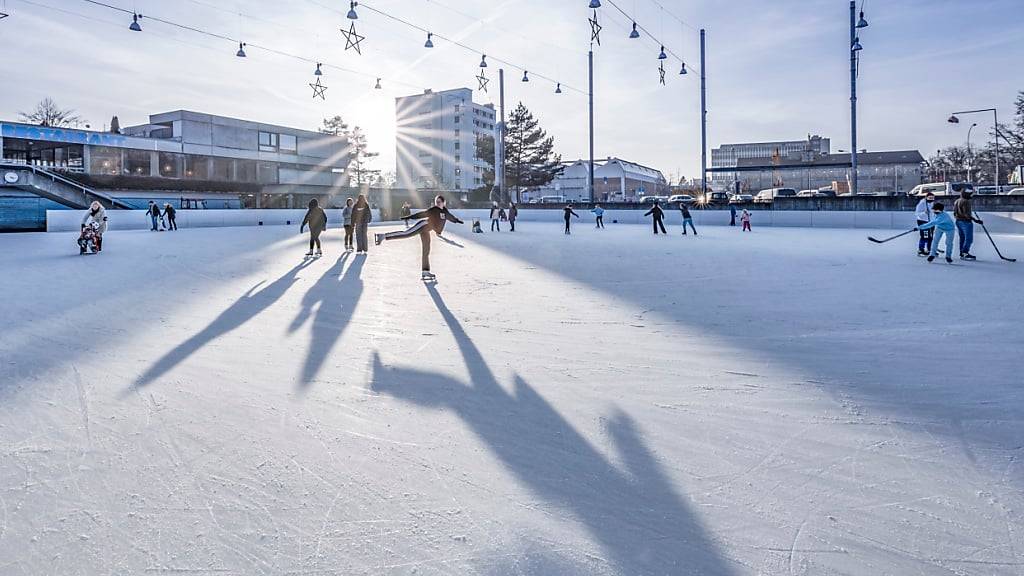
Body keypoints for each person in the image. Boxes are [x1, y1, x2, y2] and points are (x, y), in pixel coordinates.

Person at [375, 194, 464, 281]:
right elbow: (422, 214)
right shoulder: (433, 209)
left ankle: (425, 271)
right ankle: (383, 236)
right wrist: (410, 217)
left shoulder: (445, 211)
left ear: (444, 202)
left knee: (426, 250)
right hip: (423, 225)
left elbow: (450, 217)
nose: (437, 203)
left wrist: (457, 220)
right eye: (436, 201)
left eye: (439, 202)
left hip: (427, 230)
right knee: (406, 234)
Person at [953, 190, 984, 260]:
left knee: (962, 238)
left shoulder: (957, 201)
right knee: (969, 239)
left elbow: (954, 213)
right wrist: (976, 220)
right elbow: (966, 214)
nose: (971, 196)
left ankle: (962, 253)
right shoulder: (966, 202)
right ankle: (965, 253)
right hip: (966, 222)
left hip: (958, 221)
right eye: (970, 195)